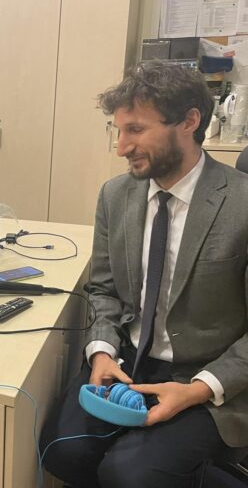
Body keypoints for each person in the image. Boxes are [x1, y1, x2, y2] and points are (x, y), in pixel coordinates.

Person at [40, 61, 248, 487]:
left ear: (189, 121)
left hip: (207, 375)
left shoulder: (241, 205)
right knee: (61, 451)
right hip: (128, 359)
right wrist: (101, 352)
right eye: (118, 131)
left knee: (128, 474)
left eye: (135, 130)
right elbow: (103, 289)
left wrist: (198, 389)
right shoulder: (115, 196)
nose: (121, 148)